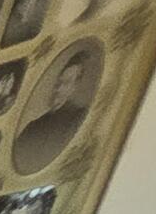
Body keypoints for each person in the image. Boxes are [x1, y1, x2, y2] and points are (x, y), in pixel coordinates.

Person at [12, 42, 103, 174]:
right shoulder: (33, 127)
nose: (58, 89)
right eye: (59, 82)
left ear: (75, 88)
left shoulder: (81, 120)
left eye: (65, 83)